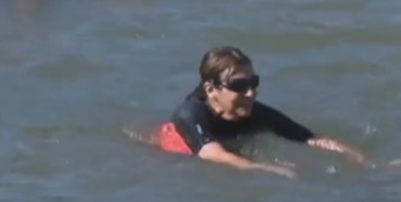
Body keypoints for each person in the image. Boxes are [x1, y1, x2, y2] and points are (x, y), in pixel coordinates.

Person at [147, 46, 367, 178]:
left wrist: (360, 159)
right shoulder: (190, 114)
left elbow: (310, 139)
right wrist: (266, 169)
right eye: (239, 86)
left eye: (253, 83)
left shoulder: (252, 111)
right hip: (176, 158)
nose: (251, 93)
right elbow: (212, 154)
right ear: (211, 89)